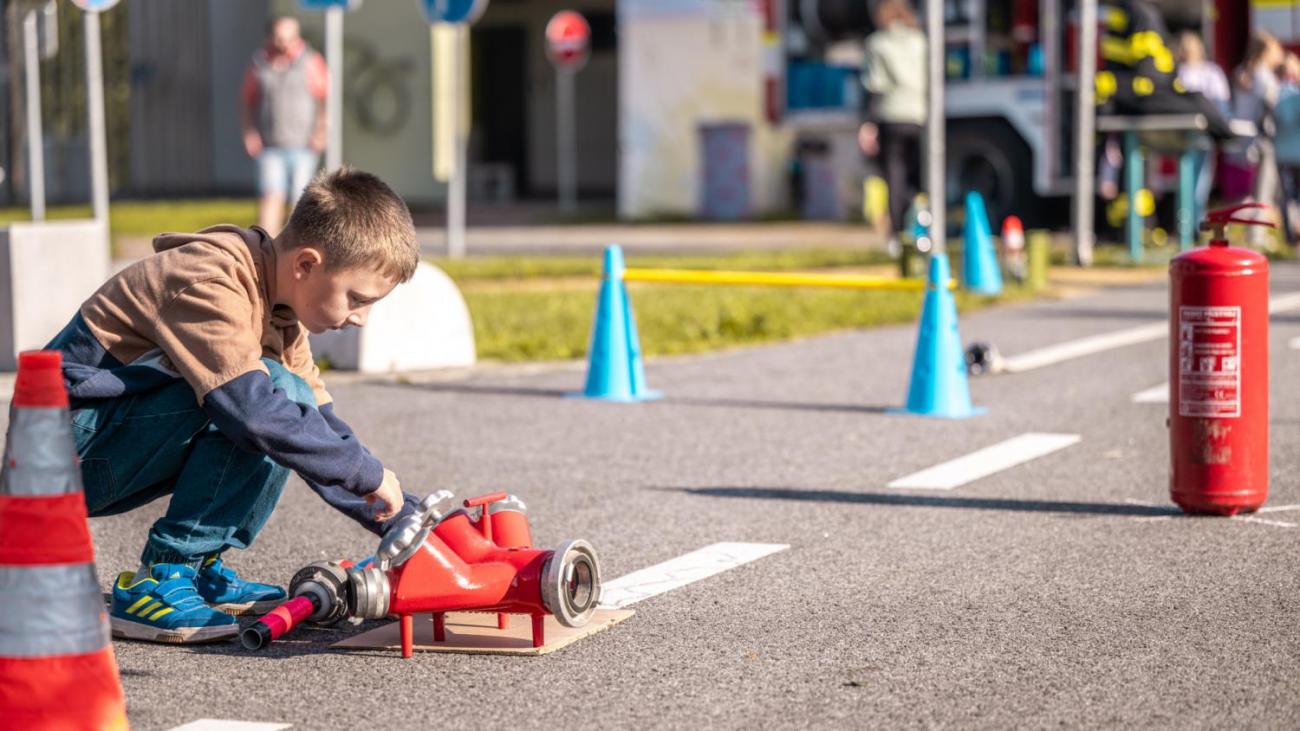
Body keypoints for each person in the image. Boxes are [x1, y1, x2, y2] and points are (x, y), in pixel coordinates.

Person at [43, 168, 418, 644]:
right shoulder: (210, 281)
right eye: (358, 298)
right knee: (265, 403)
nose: (362, 318)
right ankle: (160, 578)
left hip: (111, 438)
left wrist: (402, 516)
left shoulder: (279, 308)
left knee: (284, 406)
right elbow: (254, 413)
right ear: (306, 264)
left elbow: (320, 427)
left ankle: (196, 566)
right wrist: (365, 474)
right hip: (66, 454)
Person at [241, 16, 329, 235]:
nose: (284, 43)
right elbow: (246, 102)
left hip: (303, 145)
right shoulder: (259, 63)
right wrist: (249, 134)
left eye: (289, 37)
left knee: (301, 201)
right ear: (271, 37)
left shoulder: (310, 61)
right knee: (271, 196)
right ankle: (264, 249)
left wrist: (320, 132)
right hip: (271, 145)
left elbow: (324, 99)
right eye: (280, 37)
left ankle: (294, 248)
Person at [857, 0, 926, 249]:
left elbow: (875, 86)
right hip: (919, 116)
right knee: (916, 177)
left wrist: (867, 123)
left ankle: (896, 236)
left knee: (894, 177)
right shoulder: (921, 41)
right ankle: (920, 225)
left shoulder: (878, 43)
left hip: (891, 117)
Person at [1231, 30, 1286, 244]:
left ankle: (1256, 234)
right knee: (1264, 189)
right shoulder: (1264, 77)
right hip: (1264, 139)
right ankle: (1257, 236)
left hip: (1245, 136)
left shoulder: (1242, 72)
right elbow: (1272, 106)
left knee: (1257, 189)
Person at [1175, 31, 1231, 226]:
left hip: (1205, 135)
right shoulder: (1178, 71)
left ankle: (1195, 222)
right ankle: (1186, 222)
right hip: (1184, 135)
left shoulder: (1210, 72)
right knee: (1186, 180)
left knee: (1201, 181)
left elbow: (1221, 104)